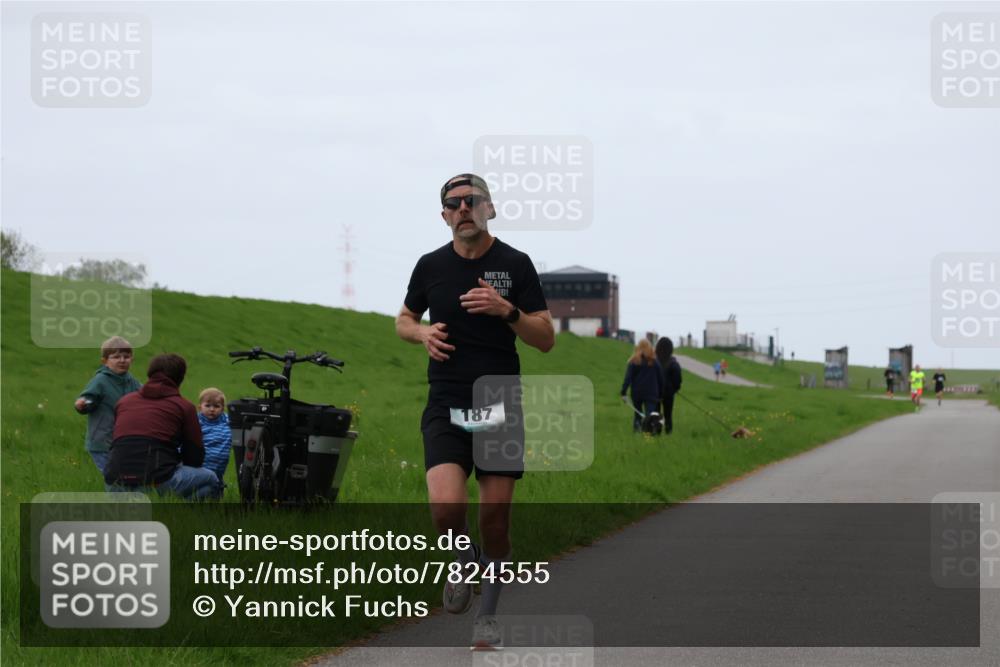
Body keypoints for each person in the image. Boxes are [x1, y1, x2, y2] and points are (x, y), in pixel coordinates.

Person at [395, 173, 554, 650]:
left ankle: (487, 618)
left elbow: (545, 338)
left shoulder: (515, 264)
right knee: (446, 507)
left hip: (499, 402)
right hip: (446, 401)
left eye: (471, 200)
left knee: (495, 520)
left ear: (489, 208)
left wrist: (507, 310)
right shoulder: (430, 267)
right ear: (444, 215)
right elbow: (403, 319)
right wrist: (421, 333)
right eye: (453, 203)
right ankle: (463, 565)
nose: (463, 208)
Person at [104, 353, 221, 500]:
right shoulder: (184, 406)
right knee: (211, 480)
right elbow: (194, 458)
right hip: (156, 481)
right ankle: (185, 516)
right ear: (180, 378)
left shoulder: (124, 402)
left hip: (114, 482)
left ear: (150, 374)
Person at [74, 336, 142, 475]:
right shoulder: (100, 380)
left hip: (123, 440)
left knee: (125, 476)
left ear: (132, 359)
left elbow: (146, 395)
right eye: (116, 357)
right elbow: (88, 398)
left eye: (126, 356)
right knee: (113, 476)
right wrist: (82, 404)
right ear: (105, 361)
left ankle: (127, 495)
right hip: (102, 441)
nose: (122, 360)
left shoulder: (132, 382)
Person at [620, 339, 663, 433]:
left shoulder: (634, 361)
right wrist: (661, 394)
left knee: (637, 414)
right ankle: (648, 437)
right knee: (650, 416)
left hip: (637, 393)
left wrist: (623, 391)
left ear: (638, 348)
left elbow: (628, 378)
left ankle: (637, 433)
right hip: (651, 393)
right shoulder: (654, 362)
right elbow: (661, 379)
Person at [198, 387, 232, 484]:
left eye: (216, 406)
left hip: (220, 467)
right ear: (200, 407)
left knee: (216, 487)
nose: (212, 409)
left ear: (222, 408)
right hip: (201, 465)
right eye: (207, 405)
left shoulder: (228, 421)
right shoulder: (196, 422)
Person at [655, 337, 683, 435]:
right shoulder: (673, 363)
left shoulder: (654, 361)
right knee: (668, 415)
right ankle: (668, 432)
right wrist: (675, 389)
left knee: (656, 414)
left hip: (655, 392)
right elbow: (678, 379)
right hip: (669, 394)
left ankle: (657, 432)